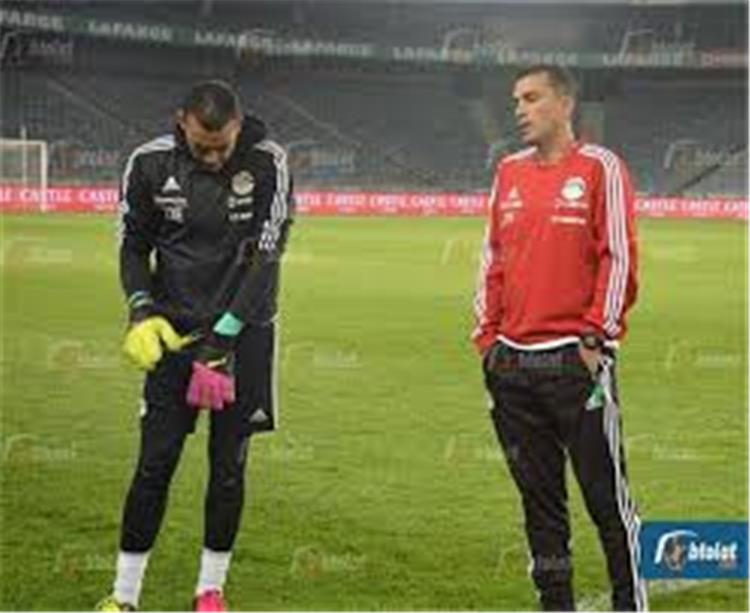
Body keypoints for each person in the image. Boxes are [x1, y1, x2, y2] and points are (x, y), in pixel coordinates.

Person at [96, 79, 294, 612]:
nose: (213, 158)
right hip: (175, 337)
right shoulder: (148, 164)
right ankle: (124, 596)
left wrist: (223, 338)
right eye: (203, 146)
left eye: (222, 147)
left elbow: (266, 257)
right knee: (154, 463)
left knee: (228, 468)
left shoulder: (268, 162)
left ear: (238, 125)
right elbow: (133, 246)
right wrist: (141, 309)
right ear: (181, 121)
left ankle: (209, 592)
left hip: (244, 335)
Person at [473, 65, 647, 611]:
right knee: (540, 505)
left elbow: (618, 256)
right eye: (516, 101)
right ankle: (556, 604)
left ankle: (629, 603)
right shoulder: (508, 171)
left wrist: (596, 336)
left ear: (565, 103)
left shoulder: (600, 167)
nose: (519, 110)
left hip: (575, 365)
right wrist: (488, 342)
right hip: (513, 367)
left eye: (532, 98)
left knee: (606, 501)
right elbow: (492, 260)